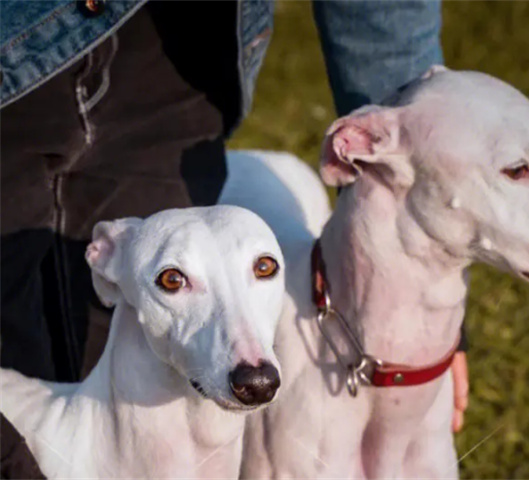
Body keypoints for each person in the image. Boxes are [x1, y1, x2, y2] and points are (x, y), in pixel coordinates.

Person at [0, 1, 467, 475]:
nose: (253, 363)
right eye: (174, 280)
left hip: (173, 72)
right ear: (108, 263)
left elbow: (380, 13)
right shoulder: (128, 254)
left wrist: (434, 324)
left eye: (262, 270)